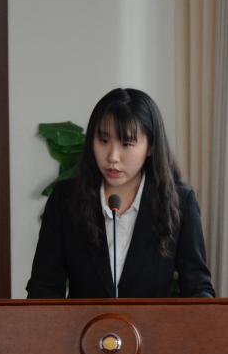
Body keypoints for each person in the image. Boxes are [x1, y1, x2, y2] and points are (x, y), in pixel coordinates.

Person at [27, 88, 215, 299]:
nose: (113, 157)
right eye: (103, 140)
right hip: (83, 322)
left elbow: (197, 288)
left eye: (127, 144)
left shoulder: (180, 202)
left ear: (150, 146)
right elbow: (44, 286)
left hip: (150, 322)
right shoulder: (65, 199)